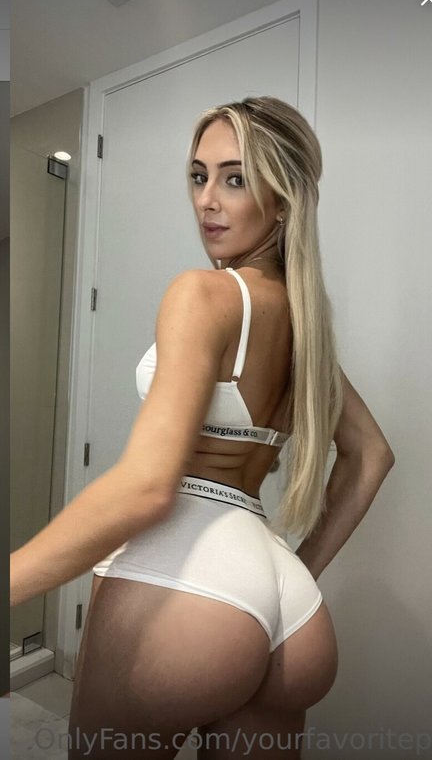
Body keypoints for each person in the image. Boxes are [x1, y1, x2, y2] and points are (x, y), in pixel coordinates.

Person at [10, 96, 395, 758]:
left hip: (182, 577)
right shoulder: (306, 332)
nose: (206, 200)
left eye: (235, 178)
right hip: (283, 600)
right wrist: (294, 574)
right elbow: (372, 455)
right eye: (198, 175)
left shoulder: (204, 295)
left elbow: (146, 487)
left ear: (283, 199)